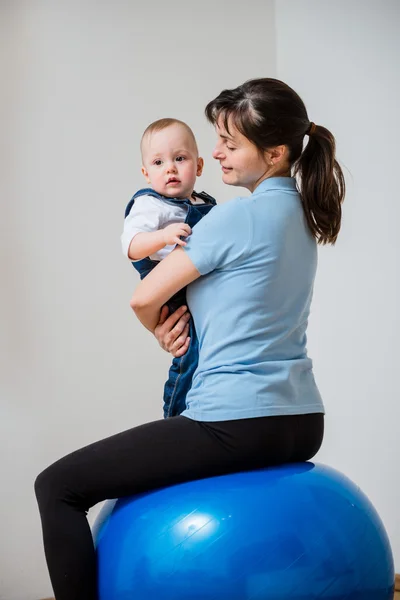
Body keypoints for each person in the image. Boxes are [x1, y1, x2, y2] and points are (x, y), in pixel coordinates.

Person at [35, 77, 345, 600]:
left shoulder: (233, 216)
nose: (216, 153)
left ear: (274, 152)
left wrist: (159, 330)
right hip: (301, 420)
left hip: (234, 420)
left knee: (57, 487)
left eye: (230, 142)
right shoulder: (303, 216)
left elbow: (143, 296)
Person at [121, 118, 216, 418]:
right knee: (189, 351)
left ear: (199, 166)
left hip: (198, 284)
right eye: (159, 162)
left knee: (208, 349)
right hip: (171, 289)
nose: (170, 168)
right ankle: (176, 415)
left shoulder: (204, 203)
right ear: (146, 173)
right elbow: (131, 245)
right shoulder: (151, 205)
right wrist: (163, 236)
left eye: (180, 158)